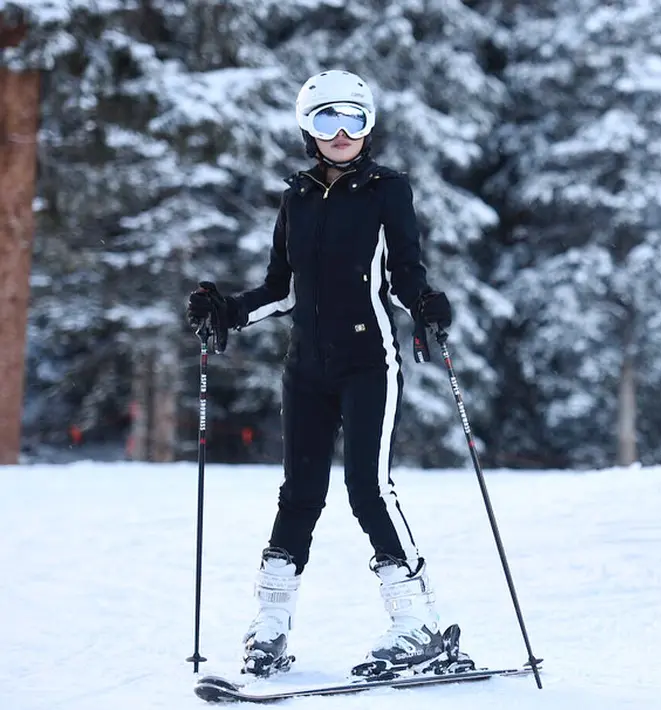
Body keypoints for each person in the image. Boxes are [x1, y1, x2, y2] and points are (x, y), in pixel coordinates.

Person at [185, 69, 473, 680]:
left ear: (368, 126)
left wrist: (425, 306)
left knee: (368, 488)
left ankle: (418, 624)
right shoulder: (296, 195)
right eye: (325, 120)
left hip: (369, 362)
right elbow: (281, 289)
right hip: (306, 367)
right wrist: (228, 312)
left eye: (353, 120)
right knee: (299, 493)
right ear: (306, 128)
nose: (339, 133)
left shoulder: (387, 190)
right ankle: (271, 627)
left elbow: (403, 275)